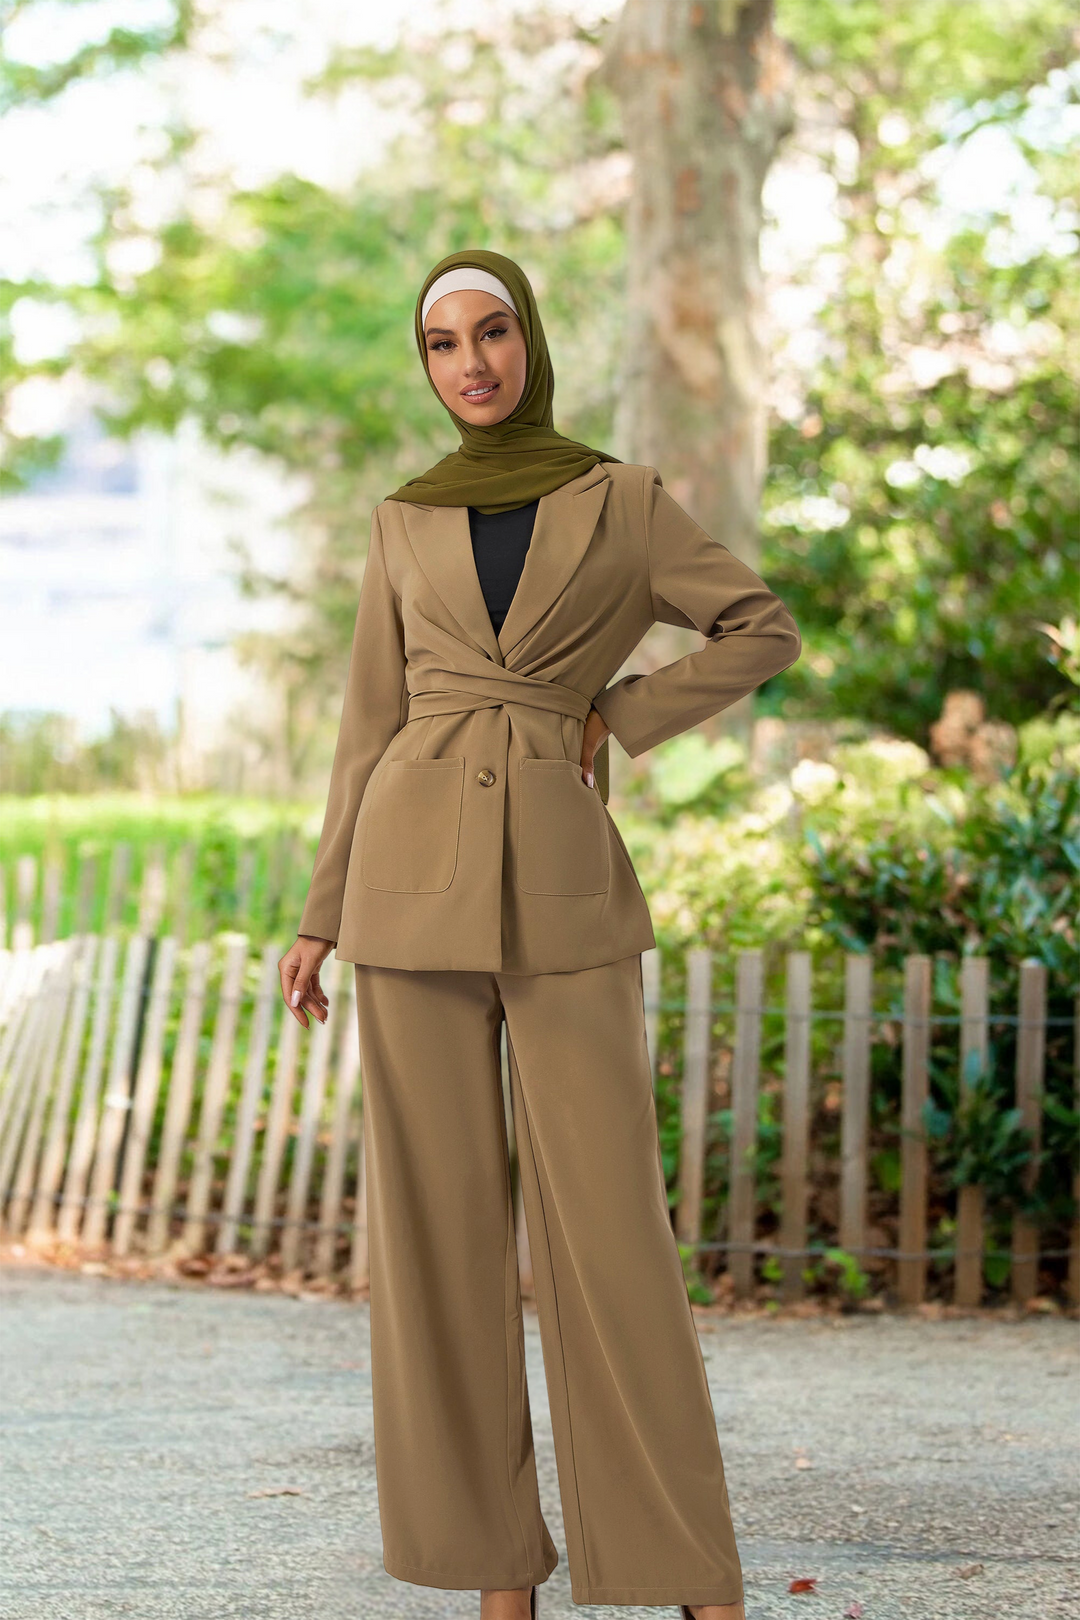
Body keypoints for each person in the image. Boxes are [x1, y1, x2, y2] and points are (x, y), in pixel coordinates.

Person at [278, 249, 801, 1619]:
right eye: (443, 345)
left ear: (530, 338)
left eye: (492, 332)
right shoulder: (402, 522)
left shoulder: (621, 502)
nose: (473, 364)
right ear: (428, 367)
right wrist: (319, 916)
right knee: (437, 1242)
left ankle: (688, 1570)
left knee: (615, 1236)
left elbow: (761, 625)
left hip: (564, 890)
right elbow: (365, 729)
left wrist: (619, 716)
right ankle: (491, 1573)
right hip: (404, 888)